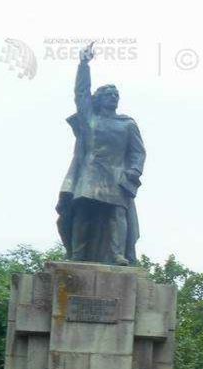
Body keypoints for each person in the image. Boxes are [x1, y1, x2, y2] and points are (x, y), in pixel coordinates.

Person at [56, 43, 145, 266]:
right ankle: (78, 254)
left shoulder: (127, 124)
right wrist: (83, 64)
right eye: (108, 94)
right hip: (90, 173)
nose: (113, 97)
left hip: (117, 176)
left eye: (116, 94)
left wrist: (134, 170)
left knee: (117, 215)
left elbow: (138, 152)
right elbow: (81, 93)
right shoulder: (90, 119)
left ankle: (117, 254)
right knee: (83, 213)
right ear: (100, 98)